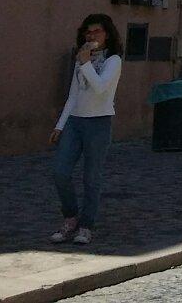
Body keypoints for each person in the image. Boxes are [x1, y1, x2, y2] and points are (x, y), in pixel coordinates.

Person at [50, 13, 122, 245]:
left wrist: (86, 63)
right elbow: (73, 95)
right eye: (88, 32)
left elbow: (101, 88)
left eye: (96, 32)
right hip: (75, 121)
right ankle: (70, 217)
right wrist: (60, 125)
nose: (91, 36)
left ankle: (86, 225)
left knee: (92, 177)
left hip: (98, 122)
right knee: (60, 171)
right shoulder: (81, 59)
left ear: (107, 34)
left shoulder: (113, 61)